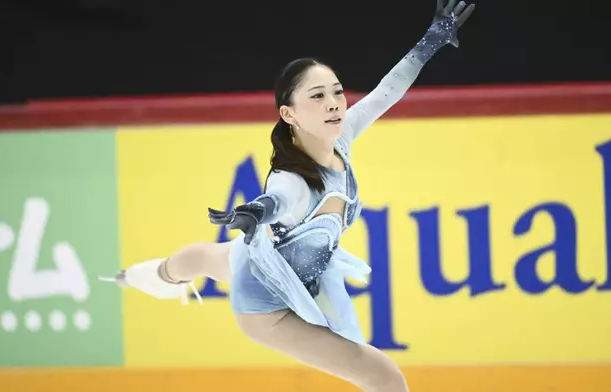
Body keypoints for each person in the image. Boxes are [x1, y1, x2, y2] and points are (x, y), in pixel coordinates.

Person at [103, 1, 475, 390]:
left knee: (197, 256)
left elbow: (386, 92)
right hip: (267, 307)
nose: (333, 102)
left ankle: (137, 276)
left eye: (336, 92)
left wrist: (430, 42)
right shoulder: (292, 179)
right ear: (289, 114)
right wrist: (254, 212)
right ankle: (144, 278)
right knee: (385, 377)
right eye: (317, 96)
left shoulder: (342, 137)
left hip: (263, 260)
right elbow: (277, 199)